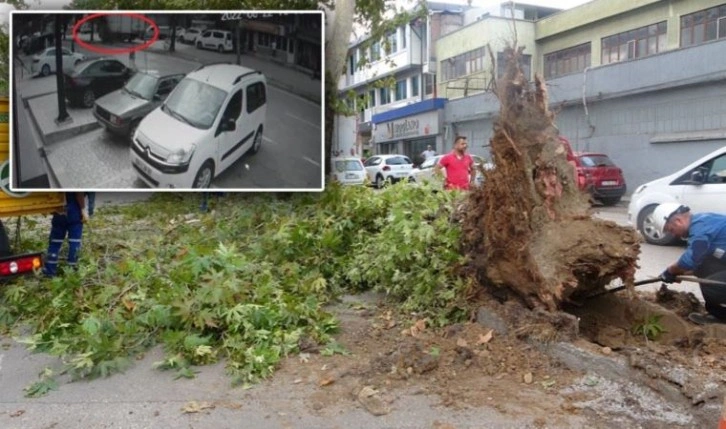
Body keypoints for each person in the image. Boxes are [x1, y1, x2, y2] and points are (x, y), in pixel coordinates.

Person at [656, 203, 726, 325]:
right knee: (703, 267)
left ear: (678, 221)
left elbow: (691, 258)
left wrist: (670, 271)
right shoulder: (702, 221)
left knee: (712, 288)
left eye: (671, 230)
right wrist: (678, 273)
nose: (673, 235)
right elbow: (697, 263)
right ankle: (719, 315)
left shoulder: (701, 227)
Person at [43, 193, 88, 277]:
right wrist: (83, 210)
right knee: (75, 243)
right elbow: (79, 194)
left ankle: (49, 271)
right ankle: (72, 271)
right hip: (74, 211)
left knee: (54, 244)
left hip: (60, 211)